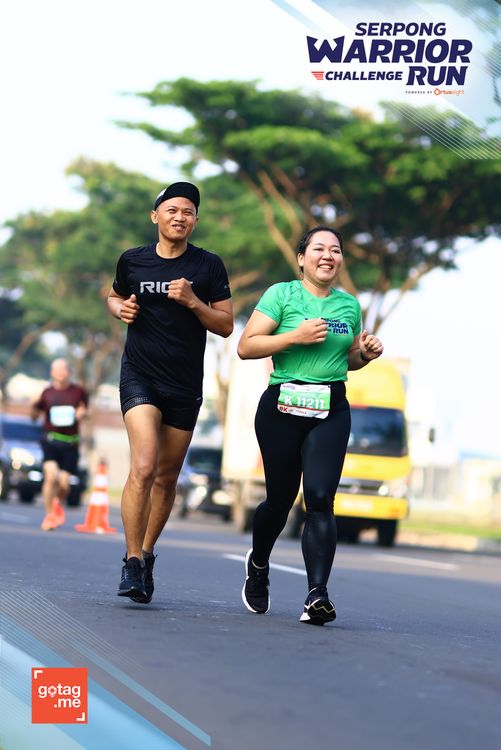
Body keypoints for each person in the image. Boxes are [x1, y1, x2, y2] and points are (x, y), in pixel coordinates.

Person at [237, 225, 383, 625]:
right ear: (302, 258)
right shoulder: (281, 295)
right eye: (319, 248)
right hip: (283, 404)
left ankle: (317, 595)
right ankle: (259, 563)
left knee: (319, 498)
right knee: (280, 500)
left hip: (330, 408)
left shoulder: (349, 305)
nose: (328, 256)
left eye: (335, 250)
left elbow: (347, 359)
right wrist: (294, 337)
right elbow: (246, 346)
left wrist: (365, 354)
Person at [107, 181, 233, 604]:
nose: (180, 216)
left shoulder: (208, 265)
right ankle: (131, 562)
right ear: (155, 216)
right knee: (143, 466)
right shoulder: (133, 260)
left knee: (165, 477)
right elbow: (114, 296)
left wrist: (194, 301)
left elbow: (225, 325)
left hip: (184, 383)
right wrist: (120, 309)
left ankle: (146, 553)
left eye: (188, 211)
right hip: (139, 374)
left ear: (195, 221)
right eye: (172, 209)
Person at [31, 358, 89, 531]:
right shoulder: (46, 393)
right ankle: (49, 515)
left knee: (64, 483)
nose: (61, 373)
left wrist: (83, 414)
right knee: (51, 476)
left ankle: (57, 503)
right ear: (52, 373)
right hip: (51, 441)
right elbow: (34, 416)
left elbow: (87, 411)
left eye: (64, 370)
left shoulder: (79, 392)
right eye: (57, 370)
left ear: (69, 372)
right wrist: (32, 404)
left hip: (70, 443)